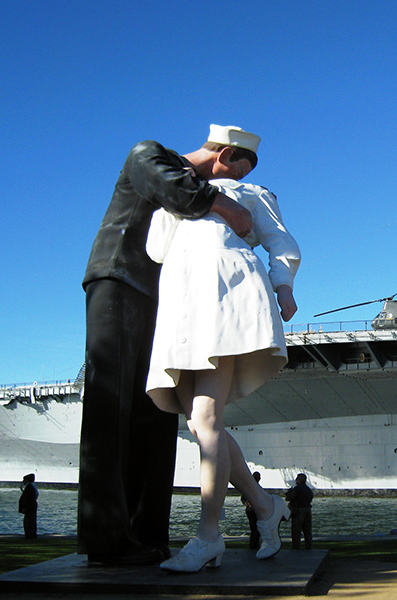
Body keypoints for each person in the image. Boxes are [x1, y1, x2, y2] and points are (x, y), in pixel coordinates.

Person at [78, 125, 257, 565]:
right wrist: (229, 210)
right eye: (238, 169)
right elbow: (175, 190)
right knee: (110, 407)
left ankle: (148, 533)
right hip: (118, 278)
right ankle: (105, 538)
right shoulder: (148, 154)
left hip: (164, 299)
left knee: (157, 416)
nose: (233, 182)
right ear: (225, 155)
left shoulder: (203, 188)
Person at [146, 175, 301, 572]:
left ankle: (209, 534)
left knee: (206, 420)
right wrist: (177, 199)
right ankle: (266, 506)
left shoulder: (251, 193)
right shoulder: (180, 195)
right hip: (182, 301)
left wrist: (283, 286)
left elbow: (280, 241)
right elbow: (156, 249)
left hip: (226, 294)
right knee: (200, 426)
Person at [285, 473, 314, 550]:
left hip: (299, 510)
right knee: (307, 530)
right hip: (307, 510)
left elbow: (289, 498)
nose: (295, 480)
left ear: (300, 480)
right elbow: (310, 498)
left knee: (296, 530)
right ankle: (309, 546)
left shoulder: (297, 489)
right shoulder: (308, 490)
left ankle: (296, 547)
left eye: (297, 478)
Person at [242, 471, 262, 549]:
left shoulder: (248, 487)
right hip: (255, 510)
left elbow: (243, 498)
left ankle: (253, 544)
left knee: (253, 527)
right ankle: (254, 544)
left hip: (250, 509)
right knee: (256, 528)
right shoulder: (258, 487)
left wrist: (246, 503)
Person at [18, 473, 39, 539]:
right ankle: (32, 535)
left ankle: (29, 535)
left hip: (29, 506)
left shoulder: (29, 487)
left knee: (28, 521)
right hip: (32, 505)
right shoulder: (33, 486)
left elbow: (26, 498)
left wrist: (24, 507)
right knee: (32, 521)